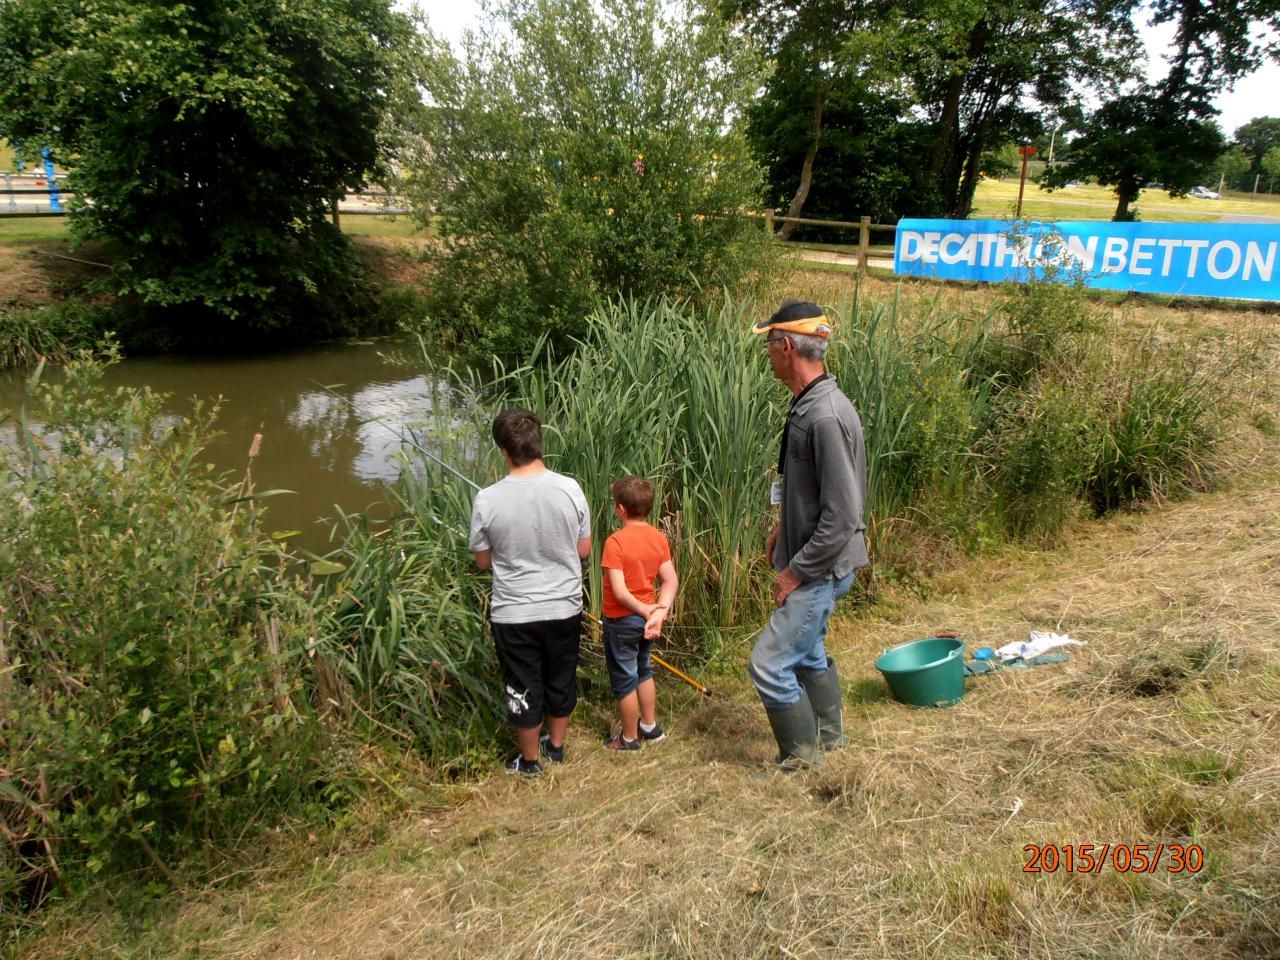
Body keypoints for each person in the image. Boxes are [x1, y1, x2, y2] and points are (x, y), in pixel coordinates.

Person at [749, 300, 867, 767]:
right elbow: (813, 490)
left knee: (770, 664)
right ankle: (831, 741)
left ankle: (799, 760)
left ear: (786, 347)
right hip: (816, 556)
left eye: (769, 345)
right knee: (808, 651)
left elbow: (841, 515)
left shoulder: (825, 416)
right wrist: (785, 526)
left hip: (822, 566)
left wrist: (795, 572)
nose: (768, 355)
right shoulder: (809, 403)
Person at [469, 408, 591, 775]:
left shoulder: (486, 499)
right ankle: (555, 747)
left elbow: (482, 561)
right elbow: (583, 550)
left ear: (504, 451)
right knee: (560, 676)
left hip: (514, 612)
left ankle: (531, 762)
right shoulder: (570, 488)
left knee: (523, 683)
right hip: (564, 607)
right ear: (540, 444)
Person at [599, 475, 679, 751]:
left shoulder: (615, 542)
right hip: (647, 621)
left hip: (622, 621)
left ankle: (629, 738)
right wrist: (658, 611)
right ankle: (650, 726)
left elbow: (619, 592)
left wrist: (647, 609)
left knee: (624, 679)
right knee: (643, 670)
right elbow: (671, 580)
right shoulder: (658, 537)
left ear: (620, 509)